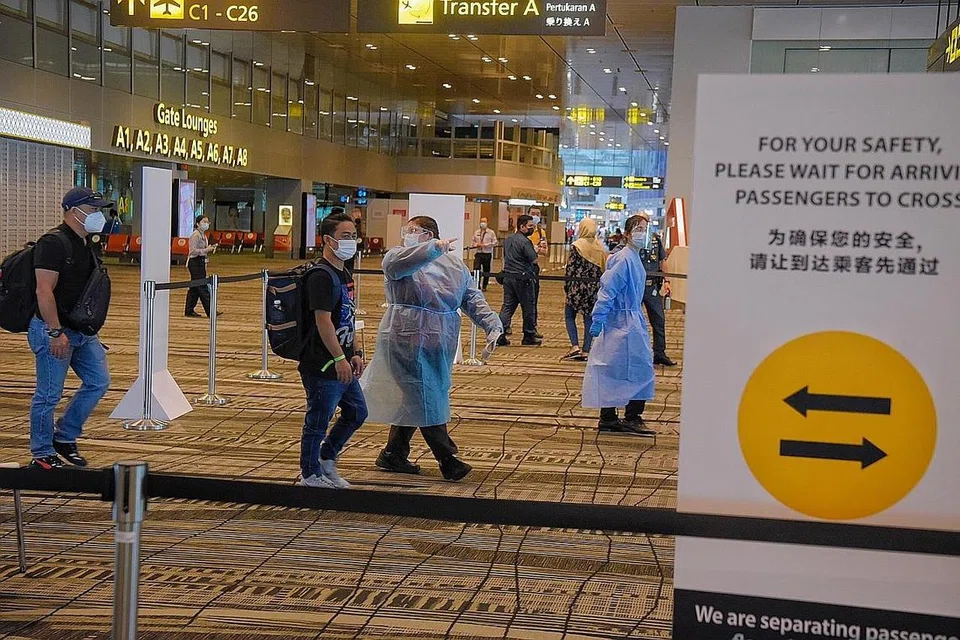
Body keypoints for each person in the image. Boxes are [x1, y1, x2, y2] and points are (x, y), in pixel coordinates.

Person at [363, 216, 502, 482]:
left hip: (440, 340)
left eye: (414, 230)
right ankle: (447, 458)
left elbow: (471, 298)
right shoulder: (399, 257)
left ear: (430, 233)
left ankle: (394, 453)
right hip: (405, 337)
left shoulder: (455, 265)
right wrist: (432, 249)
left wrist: (492, 324)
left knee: (420, 394)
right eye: (407, 230)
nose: (408, 234)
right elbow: (396, 266)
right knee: (424, 394)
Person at [29, 187, 113, 469]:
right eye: (92, 210)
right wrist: (55, 331)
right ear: (73, 211)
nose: (98, 215)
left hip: (82, 331)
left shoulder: (88, 243)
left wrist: (90, 331)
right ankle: (42, 452)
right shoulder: (53, 243)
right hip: (53, 330)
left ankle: (64, 437)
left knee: (98, 381)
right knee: (49, 395)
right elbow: (44, 291)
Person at [297, 212, 367, 489]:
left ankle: (327, 458)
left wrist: (355, 352)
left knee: (357, 412)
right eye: (345, 237)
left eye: (354, 236)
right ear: (328, 240)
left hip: (343, 359)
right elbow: (322, 320)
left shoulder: (344, 272)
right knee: (318, 419)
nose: (351, 242)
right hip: (322, 362)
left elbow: (348, 316)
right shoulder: (321, 276)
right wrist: (339, 357)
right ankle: (310, 472)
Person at [582, 214, 657, 436]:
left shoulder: (633, 257)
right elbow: (608, 291)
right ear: (626, 233)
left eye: (645, 229)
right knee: (619, 369)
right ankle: (623, 417)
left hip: (630, 320)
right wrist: (598, 318)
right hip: (620, 323)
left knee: (631, 368)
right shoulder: (624, 259)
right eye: (638, 229)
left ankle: (614, 417)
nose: (642, 233)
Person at [497, 215, 546, 347]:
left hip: (508, 277)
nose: (532, 228)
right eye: (530, 226)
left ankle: (499, 334)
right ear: (522, 226)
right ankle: (528, 335)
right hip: (523, 278)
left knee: (507, 306)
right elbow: (534, 259)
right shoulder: (525, 242)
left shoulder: (508, 240)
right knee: (528, 307)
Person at [562, 218, 606, 362]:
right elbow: (604, 270)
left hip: (576, 287)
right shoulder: (600, 248)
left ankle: (575, 346)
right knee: (589, 318)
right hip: (593, 289)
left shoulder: (577, 246)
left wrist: (567, 287)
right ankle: (586, 350)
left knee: (569, 315)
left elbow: (571, 268)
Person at [637, 213, 676, 367]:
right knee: (634, 322)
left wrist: (667, 280)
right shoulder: (632, 241)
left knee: (659, 320)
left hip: (652, 286)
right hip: (636, 286)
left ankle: (659, 353)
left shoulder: (655, 240)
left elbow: (662, 260)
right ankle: (637, 354)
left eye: (646, 222)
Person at [184, 216, 219, 318]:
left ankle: (189, 310)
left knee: (195, 287)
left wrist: (209, 249)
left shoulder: (203, 235)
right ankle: (211, 311)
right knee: (202, 286)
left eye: (207, 222)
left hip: (200, 262)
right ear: (198, 223)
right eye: (204, 222)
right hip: (195, 262)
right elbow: (192, 251)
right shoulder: (195, 235)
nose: (206, 224)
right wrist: (205, 250)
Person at [471, 217, 497, 291]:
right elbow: (472, 242)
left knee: (486, 270)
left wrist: (486, 245)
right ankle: (477, 285)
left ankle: (485, 286)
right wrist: (476, 244)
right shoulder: (476, 232)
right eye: (481, 221)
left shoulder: (491, 232)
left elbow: (495, 242)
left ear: (487, 223)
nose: (483, 223)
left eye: (484, 221)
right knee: (476, 269)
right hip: (478, 253)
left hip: (487, 253)